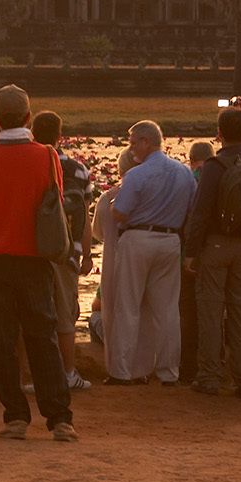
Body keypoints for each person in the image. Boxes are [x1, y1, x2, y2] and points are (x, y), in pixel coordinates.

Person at [0, 84, 77, 441]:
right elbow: (56, 198)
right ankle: (59, 415)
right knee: (41, 335)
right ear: (29, 117)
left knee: (1, 337)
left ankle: (15, 414)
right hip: (33, 256)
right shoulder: (46, 155)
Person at [184, 107, 241, 399]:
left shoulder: (214, 166)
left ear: (218, 134)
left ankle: (210, 375)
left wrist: (191, 252)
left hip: (216, 244)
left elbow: (201, 212)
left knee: (210, 311)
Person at [108, 121, 195, 387]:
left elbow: (120, 212)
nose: (131, 147)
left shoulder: (136, 175)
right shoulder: (184, 173)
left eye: (134, 142)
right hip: (170, 240)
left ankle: (122, 371)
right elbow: (191, 209)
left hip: (138, 238)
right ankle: (169, 371)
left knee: (128, 305)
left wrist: (114, 206)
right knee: (168, 309)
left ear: (146, 142)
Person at [32, 110, 93, 392]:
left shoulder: (29, 163)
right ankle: (68, 372)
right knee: (66, 315)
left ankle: (31, 376)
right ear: (60, 136)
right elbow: (84, 216)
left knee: (31, 315)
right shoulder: (78, 170)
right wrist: (87, 252)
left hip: (33, 247)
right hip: (67, 249)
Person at [92, 147, 138, 382]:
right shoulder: (151, 193)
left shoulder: (108, 196)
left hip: (115, 256)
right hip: (143, 255)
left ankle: (118, 366)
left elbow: (98, 232)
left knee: (106, 312)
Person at [179, 140, 214, 386]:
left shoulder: (186, 179)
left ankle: (188, 366)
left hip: (188, 249)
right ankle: (215, 362)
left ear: (191, 159)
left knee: (188, 310)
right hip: (215, 248)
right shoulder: (219, 175)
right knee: (214, 308)